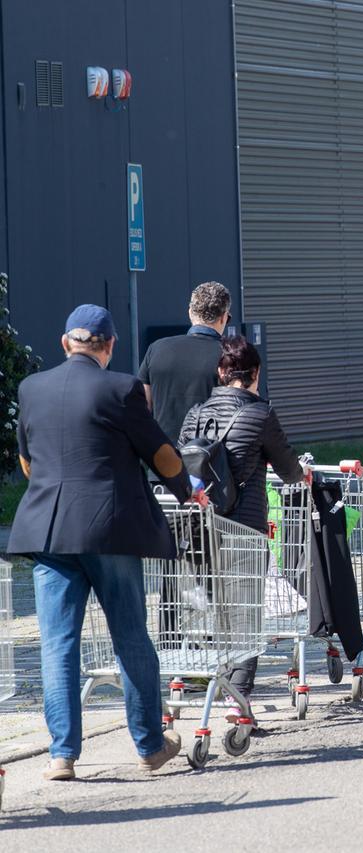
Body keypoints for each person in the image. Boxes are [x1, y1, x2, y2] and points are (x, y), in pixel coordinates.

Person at [13, 305, 189, 781]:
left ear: (64, 342)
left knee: (57, 643)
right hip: (109, 529)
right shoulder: (121, 387)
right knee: (130, 635)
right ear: (109, 346)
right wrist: (186, 490)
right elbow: (162, 454)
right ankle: (150, 745)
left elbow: (28, 463)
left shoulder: (31, 388)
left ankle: (62, 754)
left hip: (48, 532)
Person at [179, 337, 306, 703]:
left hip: (200, 527)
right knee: (246, 616)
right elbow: (289, 470)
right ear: (256, 374)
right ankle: (239, 702)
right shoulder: (261, 414)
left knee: (210, 609)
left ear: (220, 372)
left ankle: (213, 682)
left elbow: (180, 468)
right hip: (244, 529)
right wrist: (303, 475)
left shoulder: (195, 415)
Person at [138, 281, 231, 442]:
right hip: (211, 459)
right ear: (223, 317)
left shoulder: (156, 349)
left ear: (190, 312)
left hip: (164, 459)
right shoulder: (229, 356)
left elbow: (141, 409)